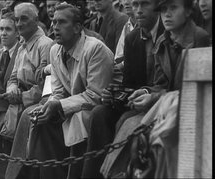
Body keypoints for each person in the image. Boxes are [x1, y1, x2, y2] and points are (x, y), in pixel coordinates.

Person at [100, 0, 210, 178]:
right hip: (166, 105)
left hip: (191, 109)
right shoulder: (163, 41)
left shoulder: (200, 38)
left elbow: (199, 90)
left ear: (189, 11)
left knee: (138, 127)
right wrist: (146, 93)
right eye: (164, 9)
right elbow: (160, 84)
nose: (167, 14)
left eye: (173, 8)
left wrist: (155, 98)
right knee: (128, 122)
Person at [12, 3, 114, 179]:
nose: (54, 27)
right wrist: (50, 105)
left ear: (77, 27)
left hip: (98, 111)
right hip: (72, 108)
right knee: (40, 122)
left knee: (77, 121)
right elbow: (58, 92)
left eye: (61, 22)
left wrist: (58, 105)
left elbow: (95, 95)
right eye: (53, 22)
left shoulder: (95, 49)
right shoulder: (55, 50)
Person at [81, 0, 165, 178]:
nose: (138, 11)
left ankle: (116, 173)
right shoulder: (132, 38)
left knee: (126, 121)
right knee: (100, 113)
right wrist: (113, 95)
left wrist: (148, 95)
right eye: (135, 5)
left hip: (161, 101)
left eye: (145, 4)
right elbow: (130, 84)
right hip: (139, 101)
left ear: (158, 7)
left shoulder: (170, 33)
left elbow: (171, 84)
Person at [0, 2, 53, 142]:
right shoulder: (22, 46)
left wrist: (21, 97)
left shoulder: (45, 45)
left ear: (36, 20)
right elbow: (13, 77)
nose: (19, 24)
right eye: (16, 20)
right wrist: (12, 88)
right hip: (17, 99)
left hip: (35, 102)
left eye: (24, 19)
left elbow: (46, 86)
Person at [0, 11, 21, 178]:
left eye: (8, 29)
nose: (3, 33)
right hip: (0, 105)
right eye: (1, 29)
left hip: (14, 106)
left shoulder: (21, 52)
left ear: (17, 32)